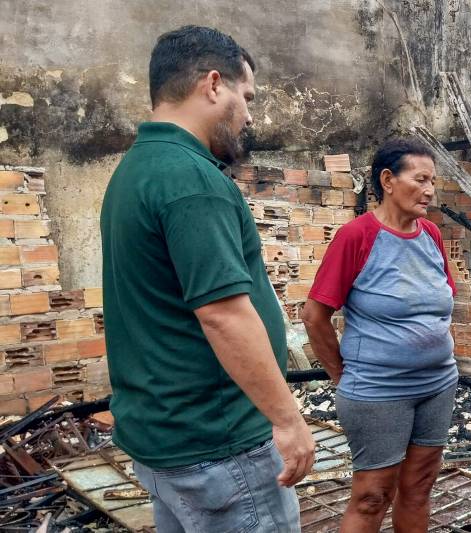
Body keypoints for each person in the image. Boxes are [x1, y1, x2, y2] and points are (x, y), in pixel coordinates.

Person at [100, 26, 315, 532]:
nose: (250, 116)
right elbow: (223, 315)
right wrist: (287, 420)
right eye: (248, 97)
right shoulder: (192, 179)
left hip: (168, 438)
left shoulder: (136, 169)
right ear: (214, 85)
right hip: (220, 446)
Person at [303, 138, 458, 533]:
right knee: (372, 496)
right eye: (420, 180)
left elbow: (441, 303)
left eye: (433, 181)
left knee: (419, 487)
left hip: (437, 384)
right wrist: (342, 376)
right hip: (377, 390)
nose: (429, 190)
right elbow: (315, 316)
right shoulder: (357, 236)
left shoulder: (431, 235)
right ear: (388, 180)